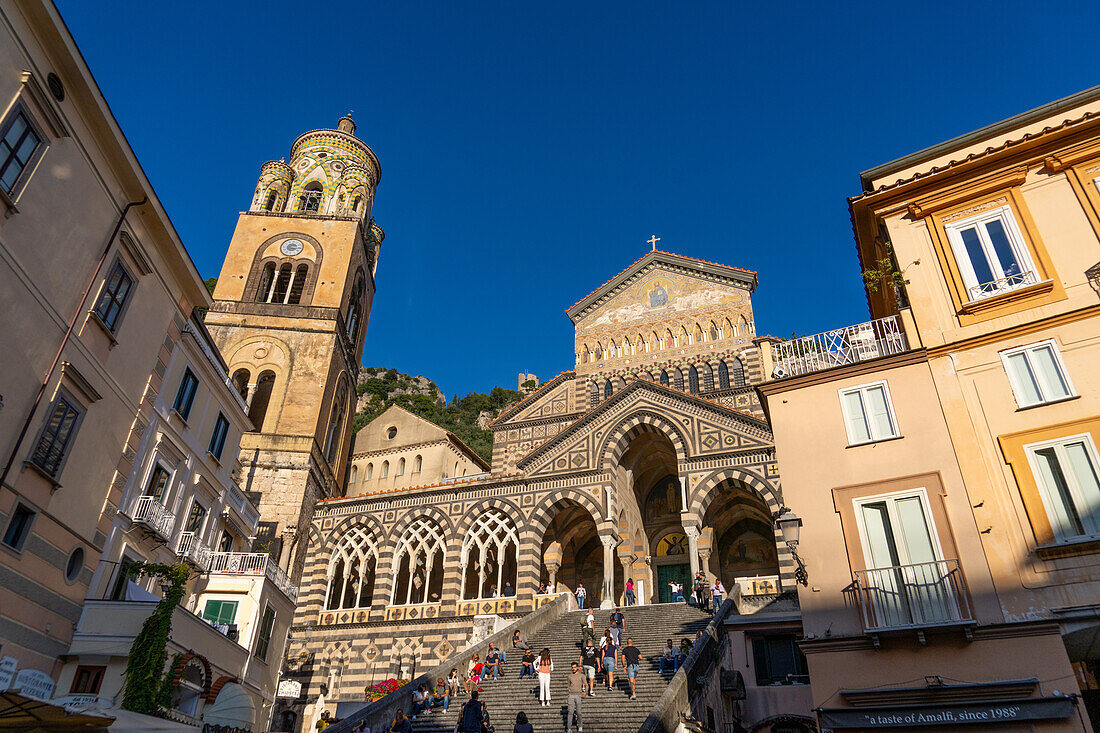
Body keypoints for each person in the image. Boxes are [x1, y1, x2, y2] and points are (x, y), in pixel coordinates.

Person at [567, 661, 585, 732]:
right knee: (570, 712)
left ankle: (580, 725)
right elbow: (568, 685)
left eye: (574, 667)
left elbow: (586, 684)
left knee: (578, 712)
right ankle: (569, 728)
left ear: (577, 667)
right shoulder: (569, 676)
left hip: (578, 695)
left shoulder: (581, 675)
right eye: (572, 667)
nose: (573, 669)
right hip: (571, 695)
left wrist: (585, 692)